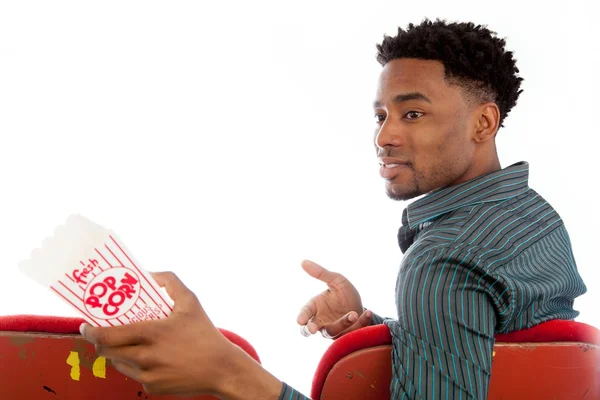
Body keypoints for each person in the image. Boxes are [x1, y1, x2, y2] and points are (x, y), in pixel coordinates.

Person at [80, 19, 587, 399]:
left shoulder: (443, 262)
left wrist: (227, 371)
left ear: (483, 123)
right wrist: (372, 331)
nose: (384, 136)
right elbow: (504, 349)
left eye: (413, 113)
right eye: (381, 115)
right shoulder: (534, 217)